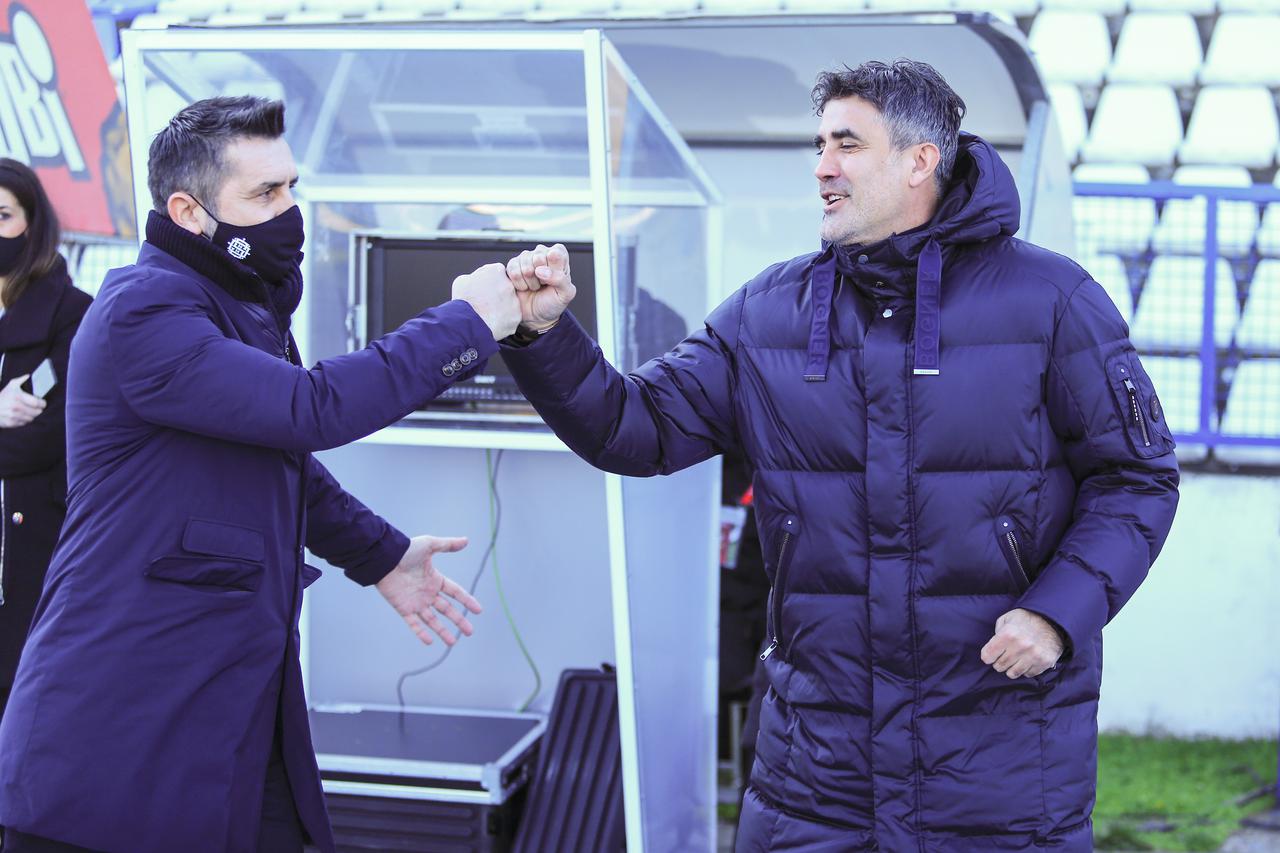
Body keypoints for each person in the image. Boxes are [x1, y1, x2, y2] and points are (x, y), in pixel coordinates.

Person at [499, 60, 1179, 851]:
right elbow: (634, 427)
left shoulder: (1054, 300)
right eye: (819, 145)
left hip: (999, 767)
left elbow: (1137, 478)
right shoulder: (767, 313)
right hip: (814, 776)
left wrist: (1058, 612)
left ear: (920, 160)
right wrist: (544, 335)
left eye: (847, 144)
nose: (823, 166)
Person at [0, 96, 522, 853]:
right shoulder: (145, 311)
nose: (289, 212)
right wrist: (467, 323)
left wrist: (381, 553)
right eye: (265, 193)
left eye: (291, 188)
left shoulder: (233, 308)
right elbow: (311, 410)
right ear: (188, 211)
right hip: (119, 727)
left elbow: (278, 462)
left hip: (229, 710)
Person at [0, 159, 92, 724]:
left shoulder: (73, 314)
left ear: (33, 226)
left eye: (2, 216)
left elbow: (48, 438)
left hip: (35, 553)